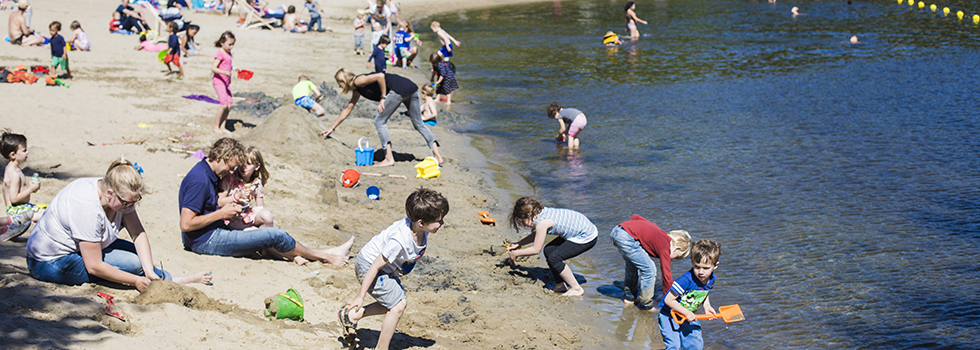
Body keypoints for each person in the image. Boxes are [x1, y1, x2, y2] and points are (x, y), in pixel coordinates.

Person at [26, 158, 213, 292]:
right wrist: (135, 281)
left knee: (139, 257)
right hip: (49, 262)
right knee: (133, 264)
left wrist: (148, 270)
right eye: (127, 203)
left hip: (83, 246)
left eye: (135, 201)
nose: (131, 207)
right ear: (110, 193)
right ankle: (174, 281)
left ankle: (162, 277)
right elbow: (94, 266)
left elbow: (138, 234)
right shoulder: (86, 206)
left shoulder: (120, 195)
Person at [179, 138, 354, 265]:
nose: (231, 172)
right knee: (275, 235)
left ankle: (301, 255)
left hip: (214, 231)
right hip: (205, 240)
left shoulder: (209, 173)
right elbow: (186, 224)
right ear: (219, 158)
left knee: (265, 235)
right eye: (230, 167)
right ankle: (326, 255)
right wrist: (221, 213)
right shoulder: (200, 180)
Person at [338, 187, 449, 350]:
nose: (442, 223)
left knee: (391, 302)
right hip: (368, 266)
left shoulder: (419, 230)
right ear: (421, 222)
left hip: (384, 269)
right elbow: (375, 265)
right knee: (397, 306)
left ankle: (353, 315)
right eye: (439, 220)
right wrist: (360, 296)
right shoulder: (399, 241)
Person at [319, 69, 445, 166]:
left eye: (339, 83)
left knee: (379, 121)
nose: (339, 86)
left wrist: (383, 98)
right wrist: (332, 127)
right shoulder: (357, 89)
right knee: (419, 123)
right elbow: (348, 108)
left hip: (399, 90)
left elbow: (380, 76)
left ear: (343, 81)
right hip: (411, 87)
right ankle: (437, 156)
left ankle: (389, 158)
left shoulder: (359, 80)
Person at [505, 196, 598, 296]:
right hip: (579, 230)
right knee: (549, 250)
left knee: (554, 258)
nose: (524, 226)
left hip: (586, 236)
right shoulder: (541, 213)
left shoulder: (542, 222)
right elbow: (537, 234)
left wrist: (516, 253)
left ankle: (576, 288)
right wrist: (519, 244)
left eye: (522, 222)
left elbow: (536, 249)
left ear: (528, 215)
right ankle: (560, 284)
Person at [610, 215, 691, 310]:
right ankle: (645, 305)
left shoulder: (658, 232)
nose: (671, 259)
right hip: (626, 238)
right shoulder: (665, 247)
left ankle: (629, 298)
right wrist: (669, 299)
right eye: (676, 256)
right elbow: (666, 276)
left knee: (631, 267)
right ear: (677, 248)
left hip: (618, 231)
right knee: (650, 270)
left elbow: (635, 217)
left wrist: (636, 229)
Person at [659, 239, 722, 350]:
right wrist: (686, 312)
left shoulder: (711, 278)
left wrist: (707, 306)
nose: (701, 272)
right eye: (697, 266)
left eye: (706, 268)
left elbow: (704, 292)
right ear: (692, 262)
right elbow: (668, 300)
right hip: (669, 315)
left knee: (695, 344)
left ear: (715, 266)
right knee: (674, 345)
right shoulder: (685, 280)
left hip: (688, 315)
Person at [216, 146, 274, 231]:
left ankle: (265, 237)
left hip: (246, 215)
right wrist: (237, 196)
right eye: (241, 163)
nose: (244, 166)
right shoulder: (230, 178)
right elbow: (219, 202)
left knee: (267, 216)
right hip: (230, 216)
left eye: (248, 164)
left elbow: (261, 207)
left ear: (257, 166)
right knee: (251, 231)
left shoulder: (256, 183)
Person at [2, 130, 44, 224]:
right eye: (24, 150)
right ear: (13, 155)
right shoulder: (15, 174)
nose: (27, 152)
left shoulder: (9, 169)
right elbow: (13, 199)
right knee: (46, 215)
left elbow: (4, 189)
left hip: (20, 208)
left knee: (47, 210)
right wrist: (30, 189)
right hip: (17, 212)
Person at [212, 31, 235, 134]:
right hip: (219, 81)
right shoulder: (220, 53)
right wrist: (224, 72)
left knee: (229, 104)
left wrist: (233, 68)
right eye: (229, 44)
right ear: (222, 43)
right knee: (223, 105)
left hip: (226, 83)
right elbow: (214, 68)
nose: (231, 47)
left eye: (233, 44)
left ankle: (222, 126)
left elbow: (227, 65)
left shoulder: (228, 53)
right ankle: (216, 127)